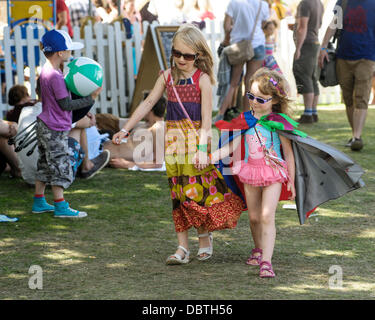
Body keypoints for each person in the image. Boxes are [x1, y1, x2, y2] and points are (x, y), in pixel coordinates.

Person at [112, 24, 245, 265]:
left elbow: (206, 121)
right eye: (177, 53)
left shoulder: (202, 80)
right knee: (177, 194)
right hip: (173, 144)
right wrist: (125, 128)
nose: (181, 59)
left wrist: (202, 150)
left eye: (188, 55)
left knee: (198, 192)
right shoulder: (165, 76)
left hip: (195, 144)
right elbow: (148, 103)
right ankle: (182, 246)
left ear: (199, 55)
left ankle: (204, 237)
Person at [213, 68, 296, 278]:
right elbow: (230, 148)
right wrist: (210, 157)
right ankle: (258, 249)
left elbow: (289, 152)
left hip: (274, 172)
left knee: (267, 216)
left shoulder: (278, 122)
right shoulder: (245, 120)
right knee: (253, 216)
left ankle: (266, 262)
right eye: (251, 96)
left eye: (261, 99)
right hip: (250, 171)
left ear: (274, 100)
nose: (255, 102)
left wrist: (292, 181)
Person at [32, 29, 102, 218]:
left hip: (45, 125)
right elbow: (66, 105)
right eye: (69, 49)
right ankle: (61, 206)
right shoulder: (55, 76)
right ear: (60, 53)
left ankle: (39, 201)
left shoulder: (47, 71)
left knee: (45, 164)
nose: (71, 53)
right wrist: (91, 97)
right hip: (54, 128)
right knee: (60, 164)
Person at [319, 0, 375, 151]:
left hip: (367, 57)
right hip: (343, 56)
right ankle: (354, 135)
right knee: (348, 98)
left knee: (361, 98)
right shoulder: (344, 1)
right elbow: (334, 23)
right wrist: (323, 46)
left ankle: (357, 137)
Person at [214, 0, 269, 122]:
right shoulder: (263, 4)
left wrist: (236, 27)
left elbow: (227, 27)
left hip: (240, 46)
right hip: (258, 44)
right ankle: (246, 116)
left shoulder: (234, 3)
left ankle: (221, 114)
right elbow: (263, 23)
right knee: (250, 83)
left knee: (233, 83)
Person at [99, 91, 166, 170]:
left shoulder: (159, 128)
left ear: (149, 108)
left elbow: (158, 163)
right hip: (100, 148)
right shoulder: (146, 125)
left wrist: (129, 164)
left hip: (100, 154)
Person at [292, 0, 324, 124]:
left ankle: (307, 114)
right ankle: (313, 113)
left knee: (303, 75)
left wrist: (298, 49)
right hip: (315, 42)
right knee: (312, 78)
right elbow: (317, 24)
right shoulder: (319, 3)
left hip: (306, 44)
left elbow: (302, 27)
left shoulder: (305, 3)